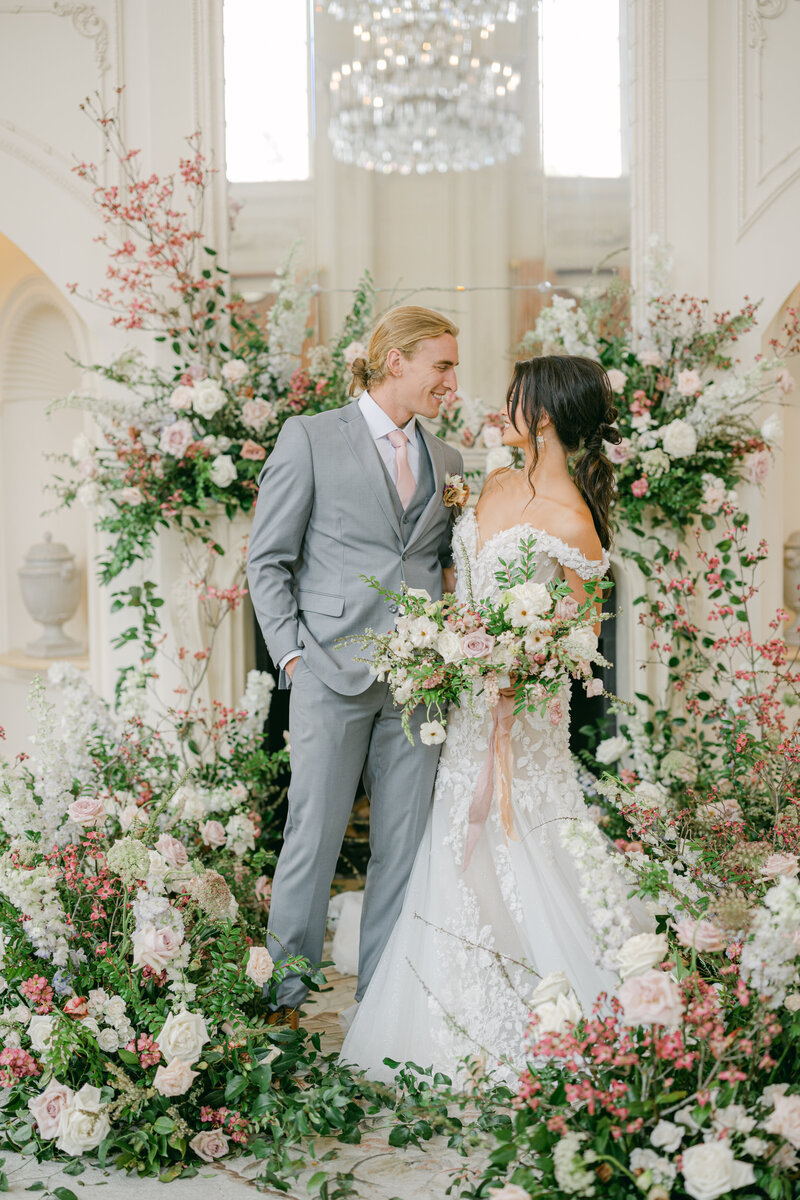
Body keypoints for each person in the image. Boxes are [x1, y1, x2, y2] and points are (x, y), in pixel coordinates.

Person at [341, 354, 650, 1083]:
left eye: (514, 398)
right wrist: (451, 644)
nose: (500, 407)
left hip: (525, 712)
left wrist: (521, 660)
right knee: (457, 841)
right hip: (468, 704)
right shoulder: (495, 481)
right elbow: (461, 582)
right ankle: (460, 1001)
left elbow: (583, 632)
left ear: (542, 414)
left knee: (528, 838)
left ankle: (556, 1005)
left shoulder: (574, 520)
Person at [247, 306, 464, 1027]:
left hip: (419, 684)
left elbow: (436, 562)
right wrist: (293, 655)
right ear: (396, 361)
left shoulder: (451, 459)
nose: (451, 380)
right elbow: (268, 559)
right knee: (313, 839)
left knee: (403, 848)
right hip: (329, 674)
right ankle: (284, 1000)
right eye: (443, 365)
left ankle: (381, 1006)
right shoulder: (309, 437)